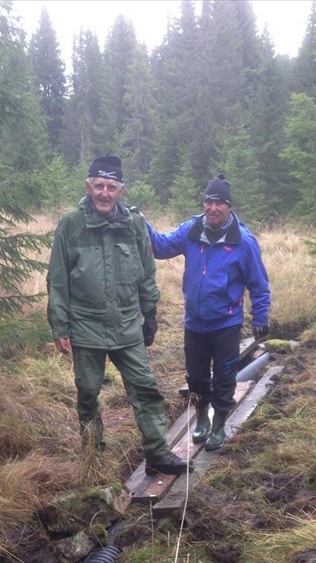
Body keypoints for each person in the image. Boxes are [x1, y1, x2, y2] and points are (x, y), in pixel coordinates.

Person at [46, 152, 190, 476]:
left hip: (126, 324)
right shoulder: (71, 225)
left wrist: (149, 313)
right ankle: (92, 455)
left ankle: (157, 452)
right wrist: (60, 326)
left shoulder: (134, 224)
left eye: (111, 187)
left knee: (146, 388)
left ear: (121, 190)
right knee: (87, 393)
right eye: (99, 186)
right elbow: (57, 280)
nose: (104, 193)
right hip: (85, 325)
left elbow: (146, 271)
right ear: (88, 186)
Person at [146, 174, 271, 451]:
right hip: (194, 322)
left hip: (226, 322)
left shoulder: (244, 241)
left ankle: (219, 424)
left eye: (220, 203)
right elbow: (161, 247)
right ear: (204, 203)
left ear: (228, 207)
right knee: (197, 376)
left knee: (225, 377)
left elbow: (259, 284)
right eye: (209, 202)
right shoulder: (192, 230)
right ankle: (201, 417)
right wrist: (140, 223)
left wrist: (261, 317)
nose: (213, 208)